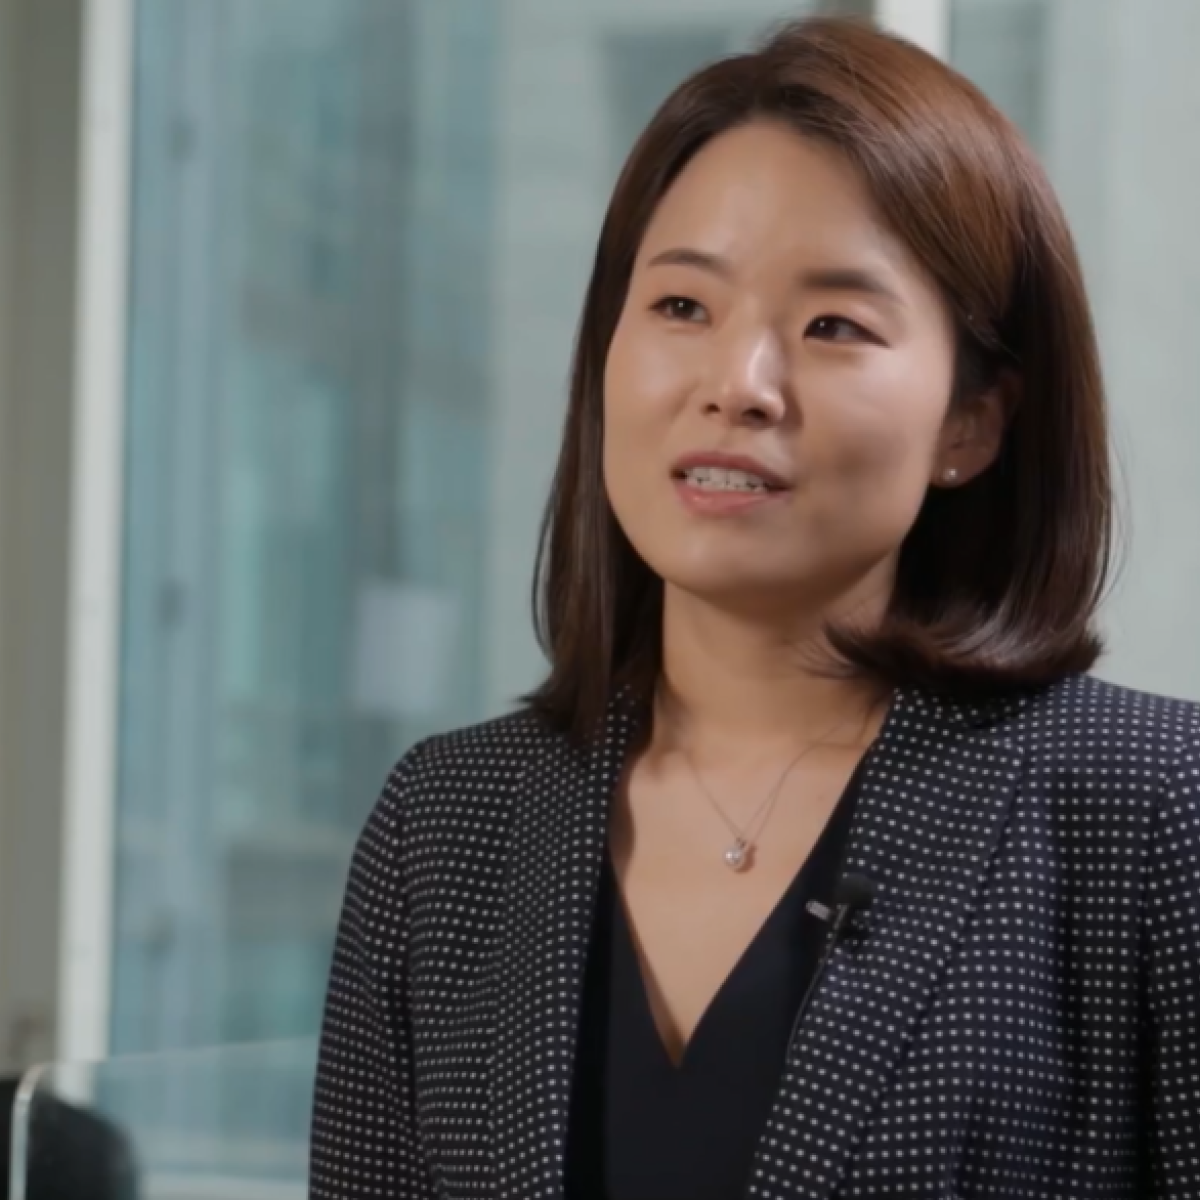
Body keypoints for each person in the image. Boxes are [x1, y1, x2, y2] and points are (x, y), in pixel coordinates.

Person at [309, 15, 1200, 1200]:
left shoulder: (1153, 809)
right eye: (683, 307)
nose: (738, 385)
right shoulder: (448, 822)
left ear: (971, 421)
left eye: (834, 326)